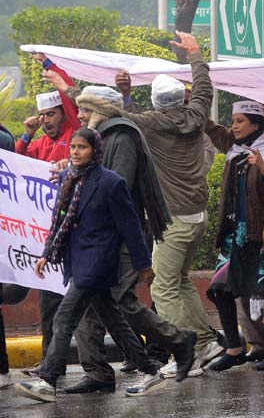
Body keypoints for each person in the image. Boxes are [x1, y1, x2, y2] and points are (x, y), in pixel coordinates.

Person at [47, 84, 196, 391]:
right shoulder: (97, 139)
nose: (82, 115)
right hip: (92, 243)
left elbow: (119, 189)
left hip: (115, 240)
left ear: (102, 110)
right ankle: (99, 372)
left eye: (87, 109)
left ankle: (179, 340)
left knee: (120, 302)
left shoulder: (123, 136)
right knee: (97, 305)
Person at [15, 129, 166, 403]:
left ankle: (47, 380)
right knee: (114, 321)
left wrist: (143, 265)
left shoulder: (111, 182)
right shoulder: (68, 178)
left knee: (64, 317)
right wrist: (47, 254)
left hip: (98, 262)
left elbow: (130, 226)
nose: (75, 152)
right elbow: (59, 221)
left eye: (82, 147)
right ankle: (151, 369)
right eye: (73, 147)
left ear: (94, 150)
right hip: (77, 259)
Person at [115, 31, 224, 370]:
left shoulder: (150, 124)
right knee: (180, 281)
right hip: (197, 215)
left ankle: (188, 348)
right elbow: (203, 84)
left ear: (156, 103)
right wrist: (194, 51)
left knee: (162, 289)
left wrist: (123, 95)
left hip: (174, 219)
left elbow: (118, 116)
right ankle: (206, 343)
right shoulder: (195, 115)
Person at [204, 101, 264, 372]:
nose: (233, 126)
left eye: (239, 121)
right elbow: (214, 131)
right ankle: (235, 348)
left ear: (256, 124)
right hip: (236, 236)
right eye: (233, 121)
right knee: (218, 289)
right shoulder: (235, 152)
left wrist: (263, 168)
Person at [15, 53, 81, 362]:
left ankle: (132, 360)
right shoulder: (38, 144)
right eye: (42, 117)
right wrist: (27, 134)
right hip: (48, 240)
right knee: (49, 304)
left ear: (64, 115)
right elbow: (16, 168)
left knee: (94, 306)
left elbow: (69, 93)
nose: (46, 121)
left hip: (76, 236)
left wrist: (48, 67)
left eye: (51, 115)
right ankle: (49, 364)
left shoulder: (75, 136)